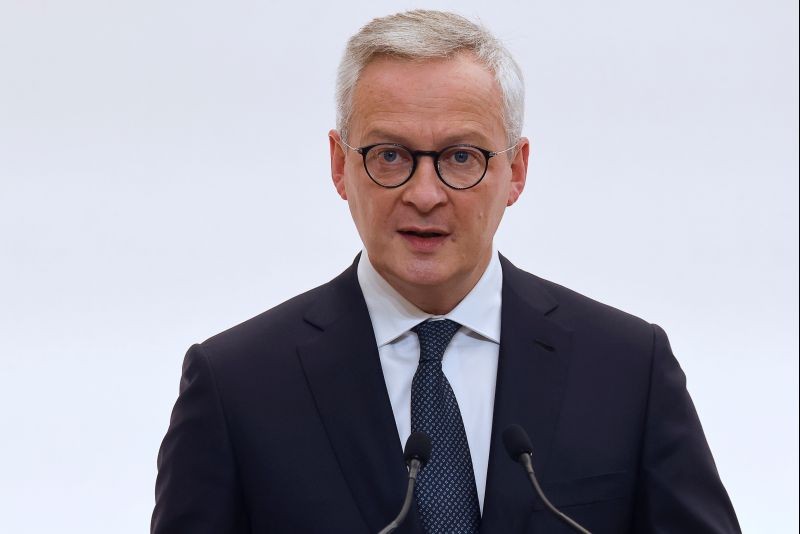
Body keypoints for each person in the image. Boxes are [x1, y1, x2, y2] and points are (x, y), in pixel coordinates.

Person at [151, 10, 740, 534]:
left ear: (516, 170)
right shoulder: (237, 385)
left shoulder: (627, 368)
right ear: (339, 166)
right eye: (390, 156)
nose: (425, 194)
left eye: (462, 156)